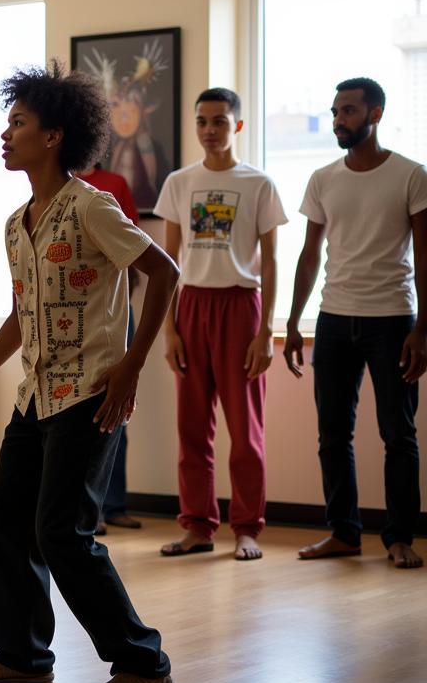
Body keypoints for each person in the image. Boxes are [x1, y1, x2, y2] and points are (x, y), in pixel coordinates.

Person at [0, 61, 178, 683]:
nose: (5, 134)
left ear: (54, 136)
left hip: (90, 394)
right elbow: (23, 316)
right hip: (35, 396)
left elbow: (163, 272)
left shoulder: (91, 207)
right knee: (8, 523)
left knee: (63, 533)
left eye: (18, 122)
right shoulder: (19, 223)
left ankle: (143, 662)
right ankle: (21, 655)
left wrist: (130, 364)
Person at [285, 76, 426, 570]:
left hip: (392, 319)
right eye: (335, 111)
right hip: (334, 319)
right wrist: (296, 321)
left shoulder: (411, 175)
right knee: (332, 434)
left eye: (348, 110)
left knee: (399, 434)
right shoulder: (323, 178)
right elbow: (308, 256)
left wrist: (422, 328)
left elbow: (425, 256)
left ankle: (399, 537)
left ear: (375, 114)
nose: (338, 119)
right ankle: (344, 532)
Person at [155, 88, 286, 561]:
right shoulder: (179, 182)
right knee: (192, 430)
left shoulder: (258, 183)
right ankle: (197, 526)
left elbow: (270, 262)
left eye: (220, 122)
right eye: (202, 122)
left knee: (245, 432)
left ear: (238, 127)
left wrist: (267, 331)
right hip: (191, 307)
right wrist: (169, 329)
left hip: (241, 307)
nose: (210, 131)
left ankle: (247, 528)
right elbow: (170, 260)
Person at [76, 162, 141, 532]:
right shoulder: (55, 184)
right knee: (80, 412)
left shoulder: (113, 184)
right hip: (76, 312)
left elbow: (133, 248)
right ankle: (90, 509)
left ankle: (115, 504)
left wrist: (123, 304)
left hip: (116, 309)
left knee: (117, 405)